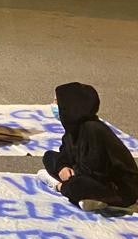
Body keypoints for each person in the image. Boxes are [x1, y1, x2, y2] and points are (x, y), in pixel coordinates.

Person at [37, 82, 138, 212]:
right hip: (86, 174)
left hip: (118, 188)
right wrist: (63, 167)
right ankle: (89, 198)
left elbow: (96, 172)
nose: (54, 106)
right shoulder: (73, 127)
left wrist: (70, 178)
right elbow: (65, 153)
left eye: (57, 102)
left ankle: (59, 186)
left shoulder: (93, 130)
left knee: (77, 185)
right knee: (49, 157)